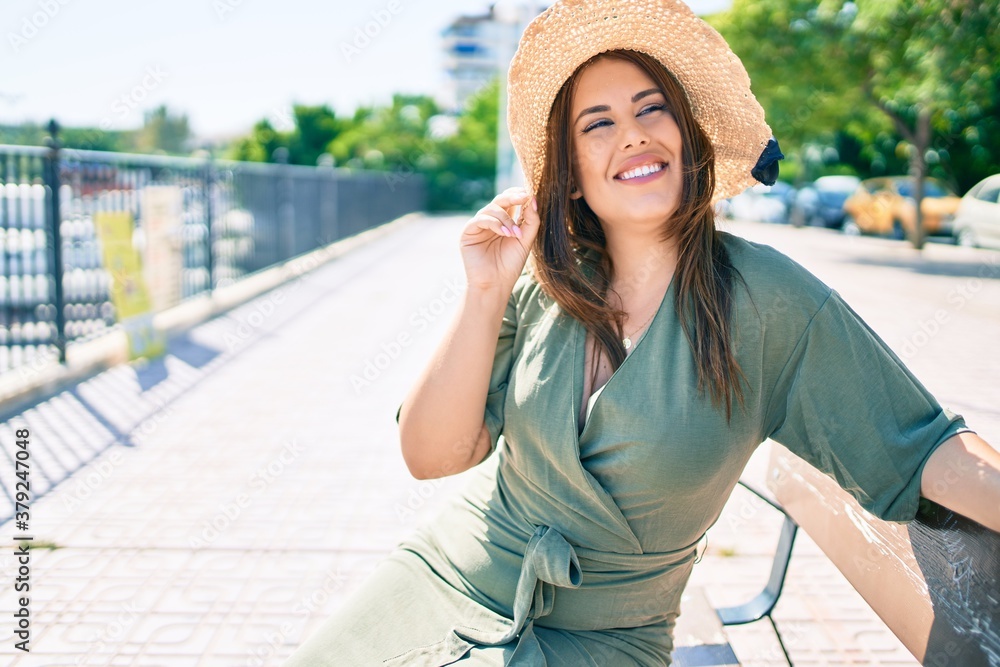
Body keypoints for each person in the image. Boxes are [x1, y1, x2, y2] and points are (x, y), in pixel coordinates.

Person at [285, 0, 1000, 664]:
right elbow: (432, 456)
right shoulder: (539, 284)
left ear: (687, 140)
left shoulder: (769, 301)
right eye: (597, 122)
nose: (632, 132)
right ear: (570, 177)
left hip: (606, 639)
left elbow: (922, 447)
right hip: (451, 573)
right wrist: (483, 292)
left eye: (652, 109)